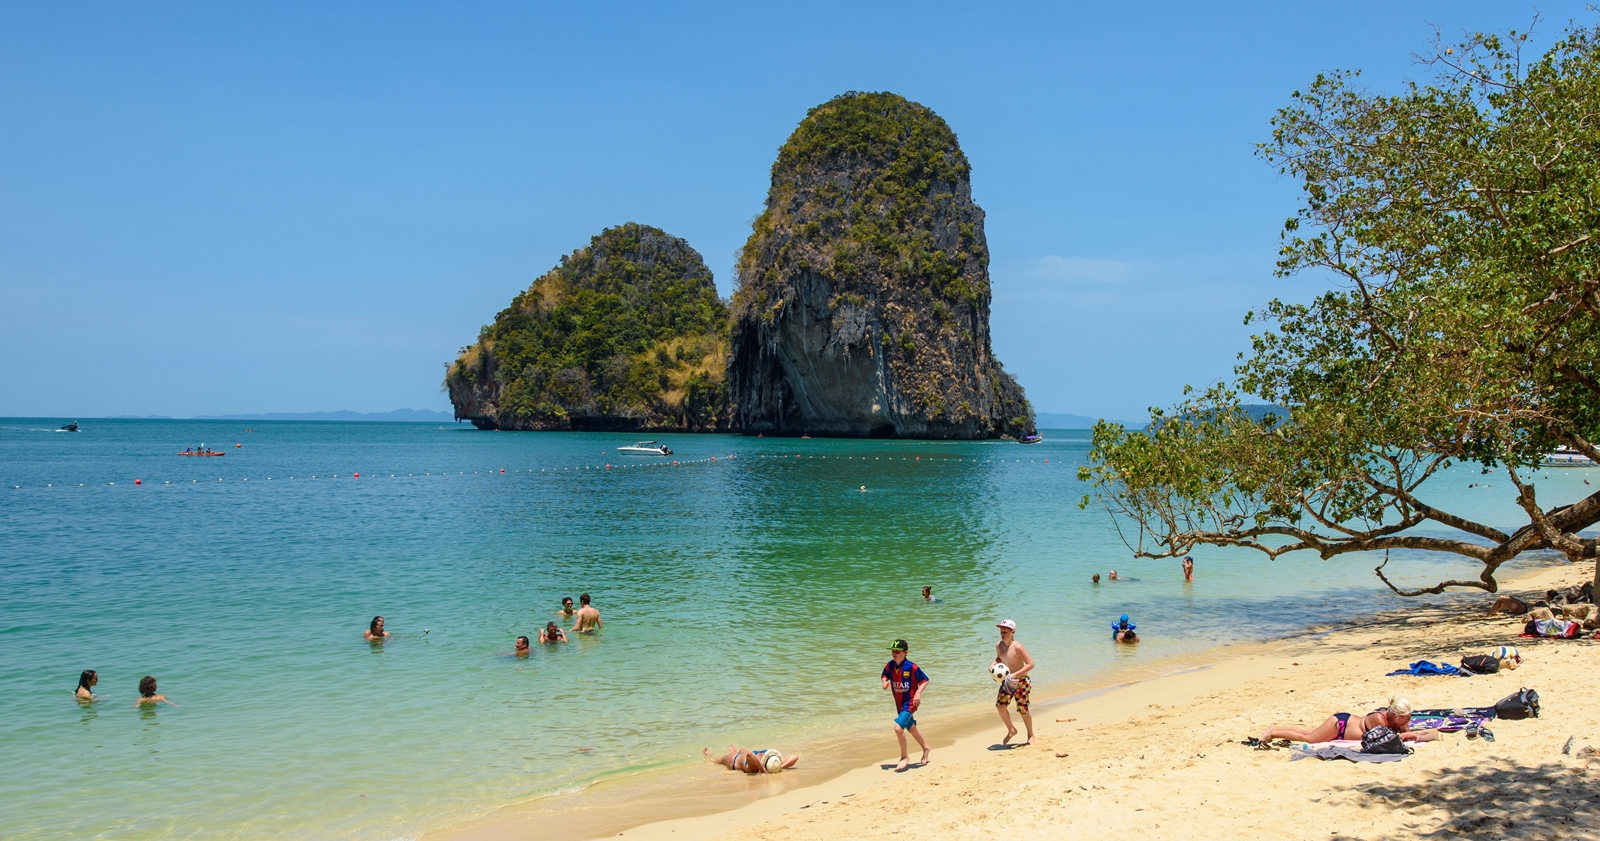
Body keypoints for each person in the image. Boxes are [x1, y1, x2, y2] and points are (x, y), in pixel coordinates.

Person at [1260, 696, 1437, 744]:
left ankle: (1276, 728)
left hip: (1345, 723)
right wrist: (1404, 735)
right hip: (1341, 726)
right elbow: (1384, 739)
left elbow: (1406, 733)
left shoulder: (1398, 719)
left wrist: (1407, 730)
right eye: (1406, 717)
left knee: (1308, 732)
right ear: (1396, 715)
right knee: (1309, 738)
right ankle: (1274, 732)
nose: (1409, 720)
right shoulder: (1379, 719)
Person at [882, 639, 931, 771]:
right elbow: (884, 675)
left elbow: (925, 680)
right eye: (893, 651)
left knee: (898, 729)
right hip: (899, 704)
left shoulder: (912, 667)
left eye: (897, 651)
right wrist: (884, 682)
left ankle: (904, 757)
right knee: (912, 729)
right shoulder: (890, 666)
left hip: (910, 703)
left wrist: (918, 693)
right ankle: (926, 748)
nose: (894, 653)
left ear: (906, 652)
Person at [993, 620, 1035, 745]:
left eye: (1006, 631)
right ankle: (1011, 729)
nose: (1003, 634)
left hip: (1021, 681)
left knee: (1023, 710)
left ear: (1013, 632)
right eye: (1001, 631)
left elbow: (1031, 664)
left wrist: (1015, 675)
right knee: (1000, 706)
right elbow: (999, 658)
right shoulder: (998, 645)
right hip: (1007, 681)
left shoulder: (1017, 647)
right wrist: (993, 664)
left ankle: (1030, 734)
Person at [703, 745, 801, 774]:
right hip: (746, 754)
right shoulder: (773, 761)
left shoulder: (755, 768)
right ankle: (736, 751)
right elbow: (794, 757)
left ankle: (708, 756)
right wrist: (779, 767)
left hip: (735, 760)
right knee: (742, 750)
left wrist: (762, 770)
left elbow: (750, 755)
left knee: (718, 760)